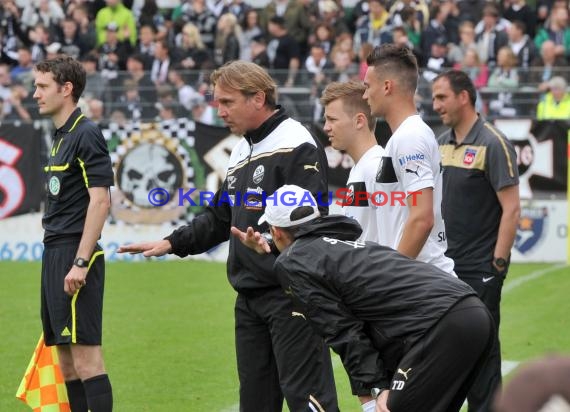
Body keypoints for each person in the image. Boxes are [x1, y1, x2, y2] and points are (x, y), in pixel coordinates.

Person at [117, 61, 338, 412]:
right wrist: (173, 243)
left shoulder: (297, 141)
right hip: (249, 298)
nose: (218, 111)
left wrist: (269, 241)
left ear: (258, 98)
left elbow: (311, 219)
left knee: (309, 401)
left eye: (226, 102)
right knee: (255, 404)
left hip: (292, 295)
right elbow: (220, 217)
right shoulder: (240, 149)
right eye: (216, 102)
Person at [232, 184, 494, 412]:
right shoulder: (336, 244)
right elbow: (315, 264)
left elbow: (342, 331)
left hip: (442, 326)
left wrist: (372, 394)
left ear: (276, 231)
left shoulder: (293, 262)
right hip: (472, 312)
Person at [432, 69, 521, 412]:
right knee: (446, 357)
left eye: (442, 97)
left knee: (482, 360)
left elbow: (511, 210)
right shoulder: (439, 144)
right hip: (443, 269)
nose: (436, 104)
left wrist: (495, 266)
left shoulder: (493, 143)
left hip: (479, 270)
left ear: (464, 97)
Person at [33, 56, 114, 411]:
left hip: (74, 255)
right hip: (54, 253)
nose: (35, 93)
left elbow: (100, 201)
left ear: (67, 89)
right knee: (66, 363)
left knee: (87, 360)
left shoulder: (86, 133)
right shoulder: (60, 135)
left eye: (42, 86)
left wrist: (80, 261)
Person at [362, 43, 455, 274]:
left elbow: (422, 218)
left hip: (422, 281)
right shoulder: (405, 136)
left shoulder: (409, 137)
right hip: (419, 277)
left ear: (386, 86)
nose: (364, 95)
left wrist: (392, 276)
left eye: (367, 86)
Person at [320, 80, 385, 243]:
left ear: (359, 121)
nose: (325, 127)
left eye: (332, 119)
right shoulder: (361, 167)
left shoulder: (376, 168)